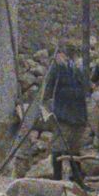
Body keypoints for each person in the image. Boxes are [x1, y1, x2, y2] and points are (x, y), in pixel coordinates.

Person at [40, 45, 93, 183]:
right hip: (64, 115)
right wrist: (51, 111)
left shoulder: (79, 70)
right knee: (58, 148)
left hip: (78, 115)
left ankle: (77, 180)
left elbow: (89, 86)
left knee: (75, 150)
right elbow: (47, 93)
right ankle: (57, 180)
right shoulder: (57, 69)